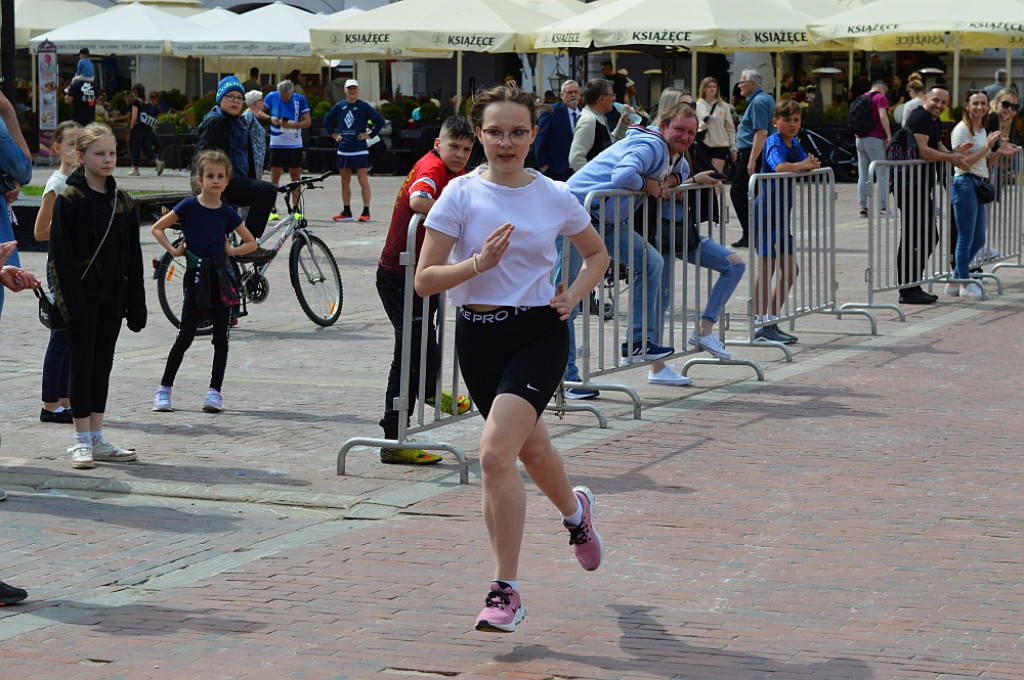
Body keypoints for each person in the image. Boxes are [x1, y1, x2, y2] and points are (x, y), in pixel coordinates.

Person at [415, 84, 608, 634]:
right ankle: (576, 515)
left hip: (538, 333)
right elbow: (426, 280)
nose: (506, 142)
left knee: (497, 453)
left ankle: (506, 591)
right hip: (477, 335)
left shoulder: (552, 194)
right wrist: (477, 263)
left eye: (517, 132)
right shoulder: (459, 195)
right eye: (495, 131)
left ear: (532, 135)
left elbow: (596, 254)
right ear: (478, 134)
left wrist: (572, 293)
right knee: (535, 448)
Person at [568, 100, 694, 386]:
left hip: (608, 220)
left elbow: (683, 173)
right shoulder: (651, 146)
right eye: (679, 130)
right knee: (568, 296)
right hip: (575, 215)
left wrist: (669, 181)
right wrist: (650, 185)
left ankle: (636, 344)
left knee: (651, 263)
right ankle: (567, 379)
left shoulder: (672, 154)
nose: (685, 137)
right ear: (663, 127)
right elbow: (622, 175)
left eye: (690, 132)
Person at [376, 116, 475, 465]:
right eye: (454, 146)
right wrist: (451, 219)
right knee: (410, 354)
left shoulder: (458, 174)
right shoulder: (432, 167)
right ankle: (394, 437)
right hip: (398, 275)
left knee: (418, 347)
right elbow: (419, 201)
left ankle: (427, 395)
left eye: (467, 149)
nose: (460, 154)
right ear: (437, 144)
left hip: (425, 273)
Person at [49, 123, 147, 470]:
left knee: (102, 364)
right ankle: (80, 441)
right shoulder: (70, 198)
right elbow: (59, 258)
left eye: (112, 153)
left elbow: (133, 256)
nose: (108, 160)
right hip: (81, 299)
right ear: (81, 157)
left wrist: (137, 303)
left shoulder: (123, 201)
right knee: (83, 364)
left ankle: (97, 436)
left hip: (112, 298)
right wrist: (71, 306)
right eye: (99, 153)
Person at [151, 150, 256, 413]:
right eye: (210, 176)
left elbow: (251, 242)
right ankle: (164, 389)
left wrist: (231, 252)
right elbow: (158, 228)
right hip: (196, 277)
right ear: (200, 179)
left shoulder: (228, 213)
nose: (216, 181)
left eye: (221, 176)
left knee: (221, 338)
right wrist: (174, 252)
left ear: (227, 181)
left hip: (221, 278)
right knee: (185, 334)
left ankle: (214, 392)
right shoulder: (188, 206)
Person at [649, 89, 745, 361]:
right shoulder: (655, 142)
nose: (691, 113)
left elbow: (674, 178)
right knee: (661, 297)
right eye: (685, 107)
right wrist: (686, 182)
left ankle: (704, 329)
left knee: (734, 264)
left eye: (692, 107)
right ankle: (656, 367)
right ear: (668, 114)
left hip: (682, 229)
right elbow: (647, 180)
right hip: (659, 229)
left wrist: (688, 182)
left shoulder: (685, 146)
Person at [751, 99, 820, 344]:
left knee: (790, 270)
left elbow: (806, 163)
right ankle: (759, 324)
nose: (792, 124)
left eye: (796, 120)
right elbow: (779, 166)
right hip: (768, 211)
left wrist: (807, 165)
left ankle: (769, 321)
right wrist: (802, 165)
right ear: (775, 122)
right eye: (787, 120)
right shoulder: (773, 141)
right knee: (767, 267)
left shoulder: (795, 142)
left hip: (782, 215)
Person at [896, 86, 969, 305]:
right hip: (909, 185)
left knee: (927, 235)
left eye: (943, 102)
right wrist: (951, 159)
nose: (939, 105)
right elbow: (922, 150)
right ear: (925, 98)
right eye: (935, 100)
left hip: (919, 185)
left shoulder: (932, 119)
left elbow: (936, 144)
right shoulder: (920, 117)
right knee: (915, 236)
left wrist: (955, 154)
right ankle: (908, 288)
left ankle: (912, 284)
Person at [193, 76, 277, 262]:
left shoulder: (240, 124)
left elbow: (246, 159)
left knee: (265, 191)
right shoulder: (214, 122)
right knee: (267, 190)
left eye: (239, 98)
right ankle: (248, 245)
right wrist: (206, 195)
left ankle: (244, 248)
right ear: (220, 98)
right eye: (231, 97)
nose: (236, 101)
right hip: (218, 187)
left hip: (236, 183)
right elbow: (201, 160)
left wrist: (253, 184)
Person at [33, 121, 81, 424]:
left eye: (82, 143)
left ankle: (63, 401)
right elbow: (39, 231)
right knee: (61, 337)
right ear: (58, 148)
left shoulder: (80, 181)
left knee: (71, 337)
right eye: (72, 143)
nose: (78, 150)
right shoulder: (57, 184)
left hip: (76, 267)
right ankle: (49, 404)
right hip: (60, 268)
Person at [946, 90, 1013, 299]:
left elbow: (984, 164)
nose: (980, 108)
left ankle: (956, 279)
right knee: (965, 238)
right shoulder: (961, 130)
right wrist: (987, 147)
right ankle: (965, 283)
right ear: (967, 106)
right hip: (964, 184)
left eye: (983, 104)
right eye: (975, 103)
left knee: (979, 239)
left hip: (978, 184)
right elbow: (964, 162)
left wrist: (997, 152)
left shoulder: (982, 130)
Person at [323, 79, 386, 222]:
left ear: (358, 90)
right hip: (343, 148)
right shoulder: (340, 106)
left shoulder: (364, 106)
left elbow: (380, 121)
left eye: (354, 88)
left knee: (362, 179)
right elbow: (326, 120)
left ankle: (366, 211)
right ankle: (346, 211)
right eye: (349, 88)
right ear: (345, 90)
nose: (352, 90)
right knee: (345, 181)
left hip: (359, 149)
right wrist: (333, 134)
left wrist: (370, 135)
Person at [729, 68, 775, 249]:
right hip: (756, 151)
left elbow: (761, 132)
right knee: (755, 194)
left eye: (742, 81)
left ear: (753, 84)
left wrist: (751, 160)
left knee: (738, 192)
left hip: (752, 152)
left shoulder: (759, 101)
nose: (739, 85)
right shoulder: (765, 99)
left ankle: (751, 233)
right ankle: (757, 232)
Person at [263, 80, 310, 216]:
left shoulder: (300, 99)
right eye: (281, 96)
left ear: (292, 92)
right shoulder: (272, 96)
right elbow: (257, 111)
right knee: (275, 175)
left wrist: (292, 126)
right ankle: (271, 208)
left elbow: (308, 121)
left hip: (294, 143)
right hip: (277, 143)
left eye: (286, 96)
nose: (283, 98)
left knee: (295, 176)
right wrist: (270, 118)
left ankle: (296, 208)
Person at [568, 78, 629, 172]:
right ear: (601, 99)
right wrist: (596, 178)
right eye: (612, 95)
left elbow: (609, 145)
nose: (613, 99)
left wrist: (623, 123)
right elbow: (575, 159)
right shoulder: (589, 120)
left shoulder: (597, 117)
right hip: (592, 186)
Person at [854, 80, 891, 218]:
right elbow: (882, 115)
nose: (884, 95)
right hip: (875, 138)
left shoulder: (862, 97)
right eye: (885, 91)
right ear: (881, 87)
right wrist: (888, 135)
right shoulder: (879, 97)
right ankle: (883, 208)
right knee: (882, 173)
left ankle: (863, 207)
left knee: (863, 174)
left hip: (859, 138)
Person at [534, 79, 580, 182]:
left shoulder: (584, 114)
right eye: (569, 92)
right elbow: (540, 140)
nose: (573, 95)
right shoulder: (551, 112)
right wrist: (544, 166)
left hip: (579, 171)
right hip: (556, 170)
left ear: (579, 95)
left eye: (575, 92)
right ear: (561, 95)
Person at [695, 76, 736, 175]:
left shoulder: (723, 106)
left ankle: (717, 191)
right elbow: (694, 127)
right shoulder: (697, 105)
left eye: (714, 86)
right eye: (709, 86)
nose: (712, 89)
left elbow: (730, 129)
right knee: (704, 176)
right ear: (704, 89)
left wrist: (733, 147)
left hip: (720, 145)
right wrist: (705, 124)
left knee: (716, 176)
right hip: (703, 144)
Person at [125, 84, 165, 177]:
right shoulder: (147, 103)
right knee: (146, 147)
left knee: (135, 147)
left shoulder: (136, 102)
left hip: (138, 128)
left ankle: (135, 168)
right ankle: (157, 162)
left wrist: (131, 127)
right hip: (147, 128)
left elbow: (134, 116)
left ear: (136, 92)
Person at [242, 90, 266, 179]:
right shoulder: (248, 116)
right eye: (262, 100)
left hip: (258, 157)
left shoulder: (255, 115)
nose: (264, 102)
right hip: (252, 158)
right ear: (256, 103)